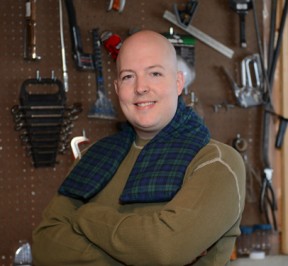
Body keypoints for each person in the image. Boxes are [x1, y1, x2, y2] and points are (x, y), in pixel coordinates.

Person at [32, 30, 246, 266]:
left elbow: (165, 250)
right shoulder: (93, 158)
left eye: (154, 73)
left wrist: (83, 217)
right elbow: (44, 245)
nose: (141, 88)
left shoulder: (216, 162)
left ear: (178, 82)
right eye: (128, 77)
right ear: (116, 88)